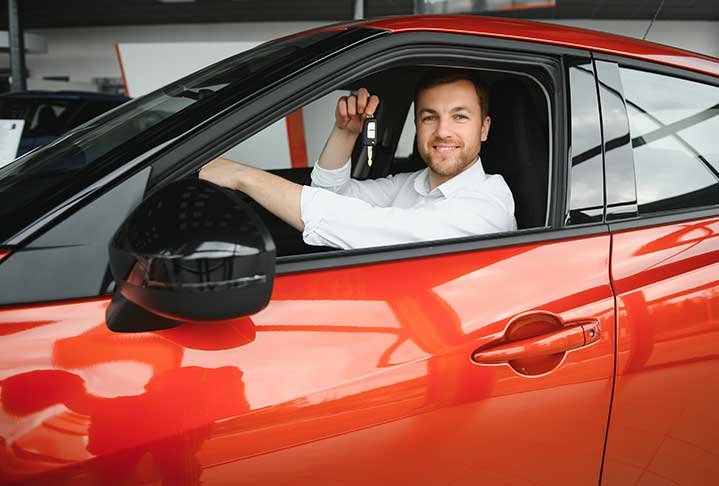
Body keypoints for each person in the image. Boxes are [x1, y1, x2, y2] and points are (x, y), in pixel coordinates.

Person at [199, 70, 516, 249]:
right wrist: (345, 133)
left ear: (484, 128)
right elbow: (331, 196)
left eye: (460, 117)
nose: (443, 131)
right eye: (430, 117)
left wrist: (243, 176)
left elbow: (367, 227)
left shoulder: (487, 206)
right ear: (418, 126)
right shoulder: (412, 184)